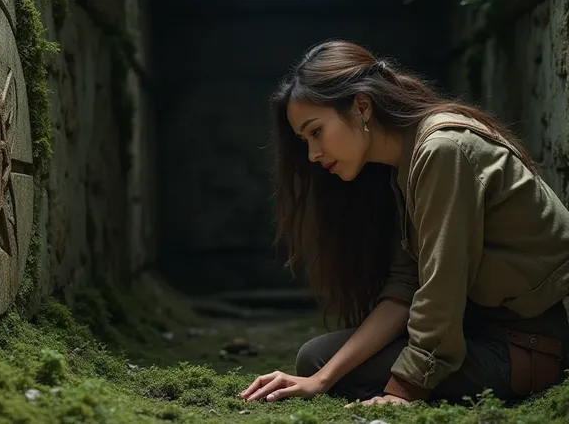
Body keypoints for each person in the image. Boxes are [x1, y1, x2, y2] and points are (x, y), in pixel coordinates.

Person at [239, 40, 569, 407]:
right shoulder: (405, 165)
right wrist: (318, 380)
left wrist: (404, 391)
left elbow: (439, 290)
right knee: (315, 359)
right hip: (476, 333)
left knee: (339, 368)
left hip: (525, 348)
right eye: (305, 141)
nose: (313, 155)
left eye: (316, 132)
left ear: (361, 106)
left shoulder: (442, 150)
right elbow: (406, 287)